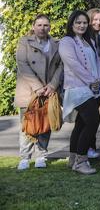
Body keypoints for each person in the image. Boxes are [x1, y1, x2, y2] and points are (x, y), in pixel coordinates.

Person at [58, 11, 100, 174]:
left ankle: (73, 159)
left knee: (82, 123)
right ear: (72, 24)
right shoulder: (66, 41)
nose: (82, 25)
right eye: (78, 22)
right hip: (77, 88)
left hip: (93, 87)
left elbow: (98, 61)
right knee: (93, 120)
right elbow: (73, 64)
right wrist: (92, 80)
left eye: (85, 22)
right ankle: (81, 161)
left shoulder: (89, 40)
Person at [15, 15, 64, 171]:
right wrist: (37, 87)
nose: (42, 28)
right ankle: (24, 157)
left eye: (46, 25)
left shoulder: (56, 43)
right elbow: (22, 64)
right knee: (27, 124)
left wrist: (52, 85)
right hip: (29, 90)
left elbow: (61, 67)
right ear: (33, 26)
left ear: (50, 27)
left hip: (49, 90)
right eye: (39, 25)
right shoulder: (24, 42)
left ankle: (41, 155)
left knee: (45, 124)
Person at [85, 8, 100, 158]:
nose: (98, 23)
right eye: (95, 19)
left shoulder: (99, 37)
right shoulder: (85, 38)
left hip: (99, 82)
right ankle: (85, 148)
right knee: (88, 118)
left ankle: (89, 147)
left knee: (92, 117)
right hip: (87, 83)